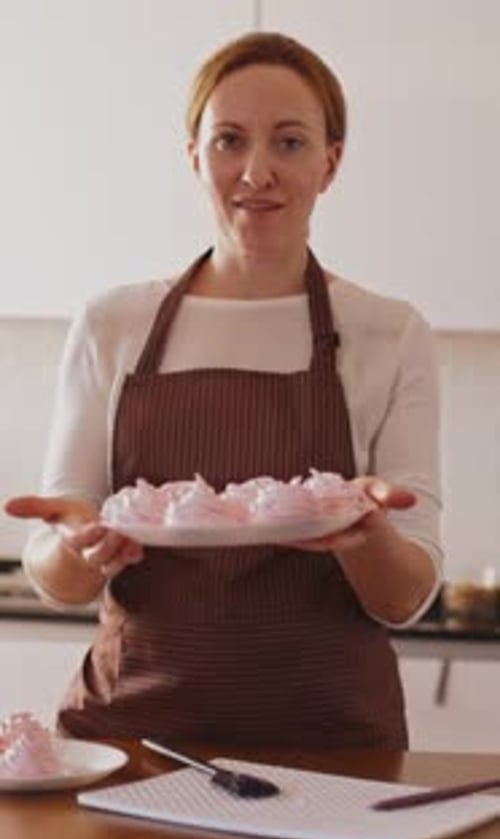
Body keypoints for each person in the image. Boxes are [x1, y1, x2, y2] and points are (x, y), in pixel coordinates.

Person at [5, 31, 441, 748]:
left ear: (331, 162)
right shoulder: (112, 323)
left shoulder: (390, 333)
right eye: (229, 140)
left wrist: (366, 537)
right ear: (193, 156)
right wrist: (73, 546)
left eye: (290, 143)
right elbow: (61, 576)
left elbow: (406, 596)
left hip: (336, 755)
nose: (256, 172)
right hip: (132, 747)